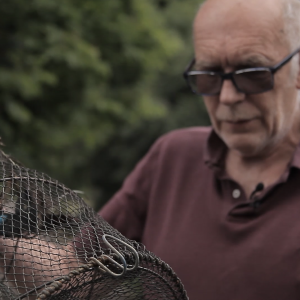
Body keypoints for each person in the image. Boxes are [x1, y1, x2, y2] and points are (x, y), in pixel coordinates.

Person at [99, 0, 300, 299]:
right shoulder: (172, 157)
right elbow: (71, 267)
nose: (228, 97)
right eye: (209, 76)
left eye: (252, 73)